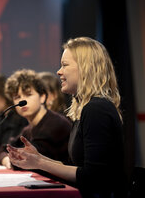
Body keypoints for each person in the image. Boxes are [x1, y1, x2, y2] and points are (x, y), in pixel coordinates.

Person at [7, 37, 127, 198]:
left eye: (64, 65)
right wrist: (38, 158)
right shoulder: (87, 109)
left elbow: (94, 177)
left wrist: (40, 163)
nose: (59, 71)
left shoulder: (96, 109)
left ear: (86, 68)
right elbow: (75, 167)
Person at [0, 69, 72, 169]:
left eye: (28, 94)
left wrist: (10, 161)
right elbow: (3, 149)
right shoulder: (28, 129)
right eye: (17, 97)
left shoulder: (54, 124)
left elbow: (28, 162)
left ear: (42, 97)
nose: (22, 100)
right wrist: (7, 160)